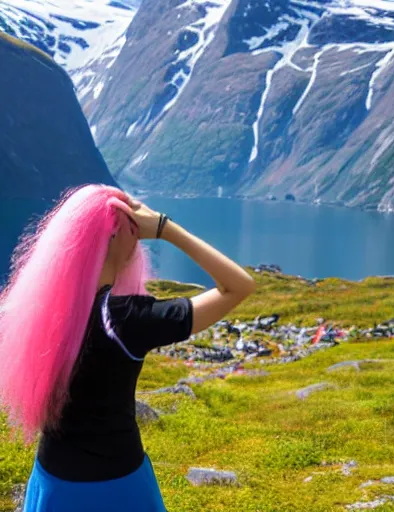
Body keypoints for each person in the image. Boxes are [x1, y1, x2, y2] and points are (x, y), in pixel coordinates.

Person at [0, 184, 256, 512]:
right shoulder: (125, 319)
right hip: (117, 483)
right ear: (111, 235)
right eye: (132, 227)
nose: (137, 237)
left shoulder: (40, 308)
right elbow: (239, 286)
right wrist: (165, 228)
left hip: (53, 481)